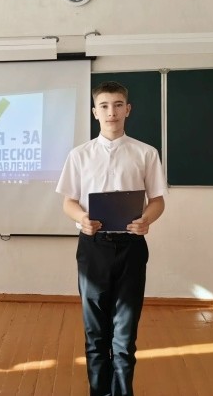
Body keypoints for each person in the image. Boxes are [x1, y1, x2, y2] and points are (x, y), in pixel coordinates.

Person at [56, 81, 166, 396]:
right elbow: (68, 202)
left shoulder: (145, 153)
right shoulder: (79, 155)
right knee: (95, 335)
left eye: (118, 105)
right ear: (95, 112)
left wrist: (146, 219)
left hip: (131, 248)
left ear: (127, 109)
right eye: (104, 106)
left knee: (125, 337)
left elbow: (157, 200)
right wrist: (81, 219)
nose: (111, 112)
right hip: (93, 248)